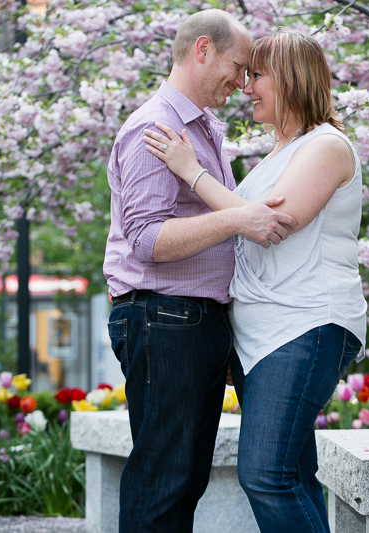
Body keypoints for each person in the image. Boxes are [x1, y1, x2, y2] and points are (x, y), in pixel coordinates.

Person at [142, 30, 367, 533]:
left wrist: (192, 172)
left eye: (257, 75)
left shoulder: (327, 146)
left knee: (266, 475)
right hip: (261, 335)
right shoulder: (278, 155)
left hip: (305, 325)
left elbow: (270, 224)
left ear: (289, 79)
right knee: (291, 475)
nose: (246, 86)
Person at [103, 10, 296, 532]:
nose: (243, 81)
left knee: (184, 482)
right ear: (203, 50)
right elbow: (145, 241)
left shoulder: (200, 127)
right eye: (238, 66)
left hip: (190, 322)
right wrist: (239, 219)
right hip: (164, 319)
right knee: (163, 483)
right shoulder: (155, 128)